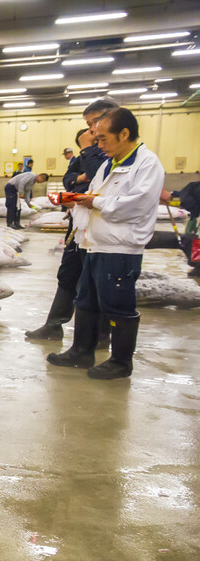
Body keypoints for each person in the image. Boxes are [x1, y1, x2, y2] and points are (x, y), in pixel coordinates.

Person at [48, 107, 164, 379]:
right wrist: (76, 200)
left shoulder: (146, 164)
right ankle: (81, 352)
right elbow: (94, 193)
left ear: (124, 134)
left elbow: (136, 205)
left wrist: (94, 201)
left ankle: (121, 362)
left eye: (102, 139)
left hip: (120, 248)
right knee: (86, 300)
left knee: (117, 305)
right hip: (95, 243)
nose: (98, 145)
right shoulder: (109, 164)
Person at [26, 99, 116, 341]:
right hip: (78, 226)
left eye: (94, 123)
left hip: (100, 230)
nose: (91, 130)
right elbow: (69, 179)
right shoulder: (85, 154)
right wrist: (80, 177)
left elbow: (101, 177)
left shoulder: (114, 153)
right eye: (88, 125)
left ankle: (99, 335)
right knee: (68, 275)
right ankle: (54, 325)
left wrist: (87, 152)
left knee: (94, 284)